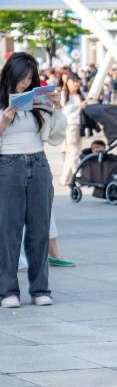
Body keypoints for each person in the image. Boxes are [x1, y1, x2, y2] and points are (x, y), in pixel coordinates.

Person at [0, 52, 62, 308]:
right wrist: (3, 122)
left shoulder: (37, 100)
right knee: (8, 230)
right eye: (22, 78)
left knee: (39, 228)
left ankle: (40, 289)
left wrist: (55, 107)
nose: (26, 82)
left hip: (38, 162)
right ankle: (7, 291)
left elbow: (56, 135)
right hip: (8, 165)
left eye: (29, 77)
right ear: (10, 75)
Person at [59, 73, 86, 186]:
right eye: (73, 81)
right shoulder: (64, 94)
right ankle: (78, 175)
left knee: (72, 153)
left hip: (79, 126)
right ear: (68, 82)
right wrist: (80, 105)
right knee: (74, 153)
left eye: (77, 81)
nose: (76, 83)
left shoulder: (80, 95)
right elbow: (64, 110)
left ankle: (65, 179)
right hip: (70, 126)